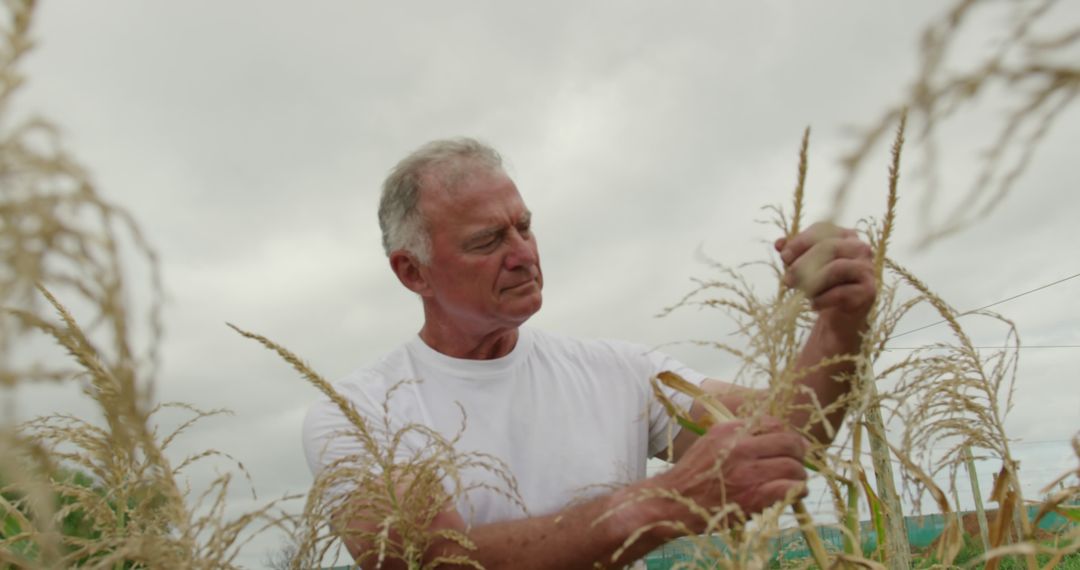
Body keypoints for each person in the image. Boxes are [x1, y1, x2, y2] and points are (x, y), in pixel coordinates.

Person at [302, 138, 876, 569]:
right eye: (487, 241)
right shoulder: (357, 413)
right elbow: (435, 559)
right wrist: (660, 504)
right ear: (412, 271)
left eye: (524, 227)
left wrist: (841, 321)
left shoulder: (621, 373)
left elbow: (785, 436)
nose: (523, 253)